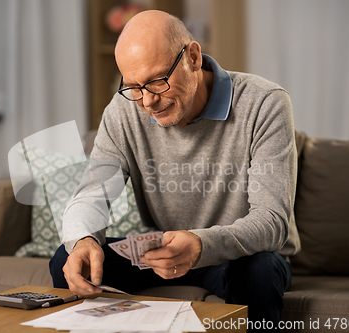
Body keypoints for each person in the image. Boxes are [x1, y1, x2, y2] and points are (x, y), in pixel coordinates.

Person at [50, 10, 300, 331]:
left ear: (193, 57)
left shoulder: (265, 103)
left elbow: (272, 222)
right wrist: (83, 239)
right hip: (163, 255)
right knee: (68, 259)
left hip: (238, 256)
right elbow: (93, 193)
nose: (148, 101)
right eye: (134, 87)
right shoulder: (125, 111)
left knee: (259, 271)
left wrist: (200, 243)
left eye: (157, 81)